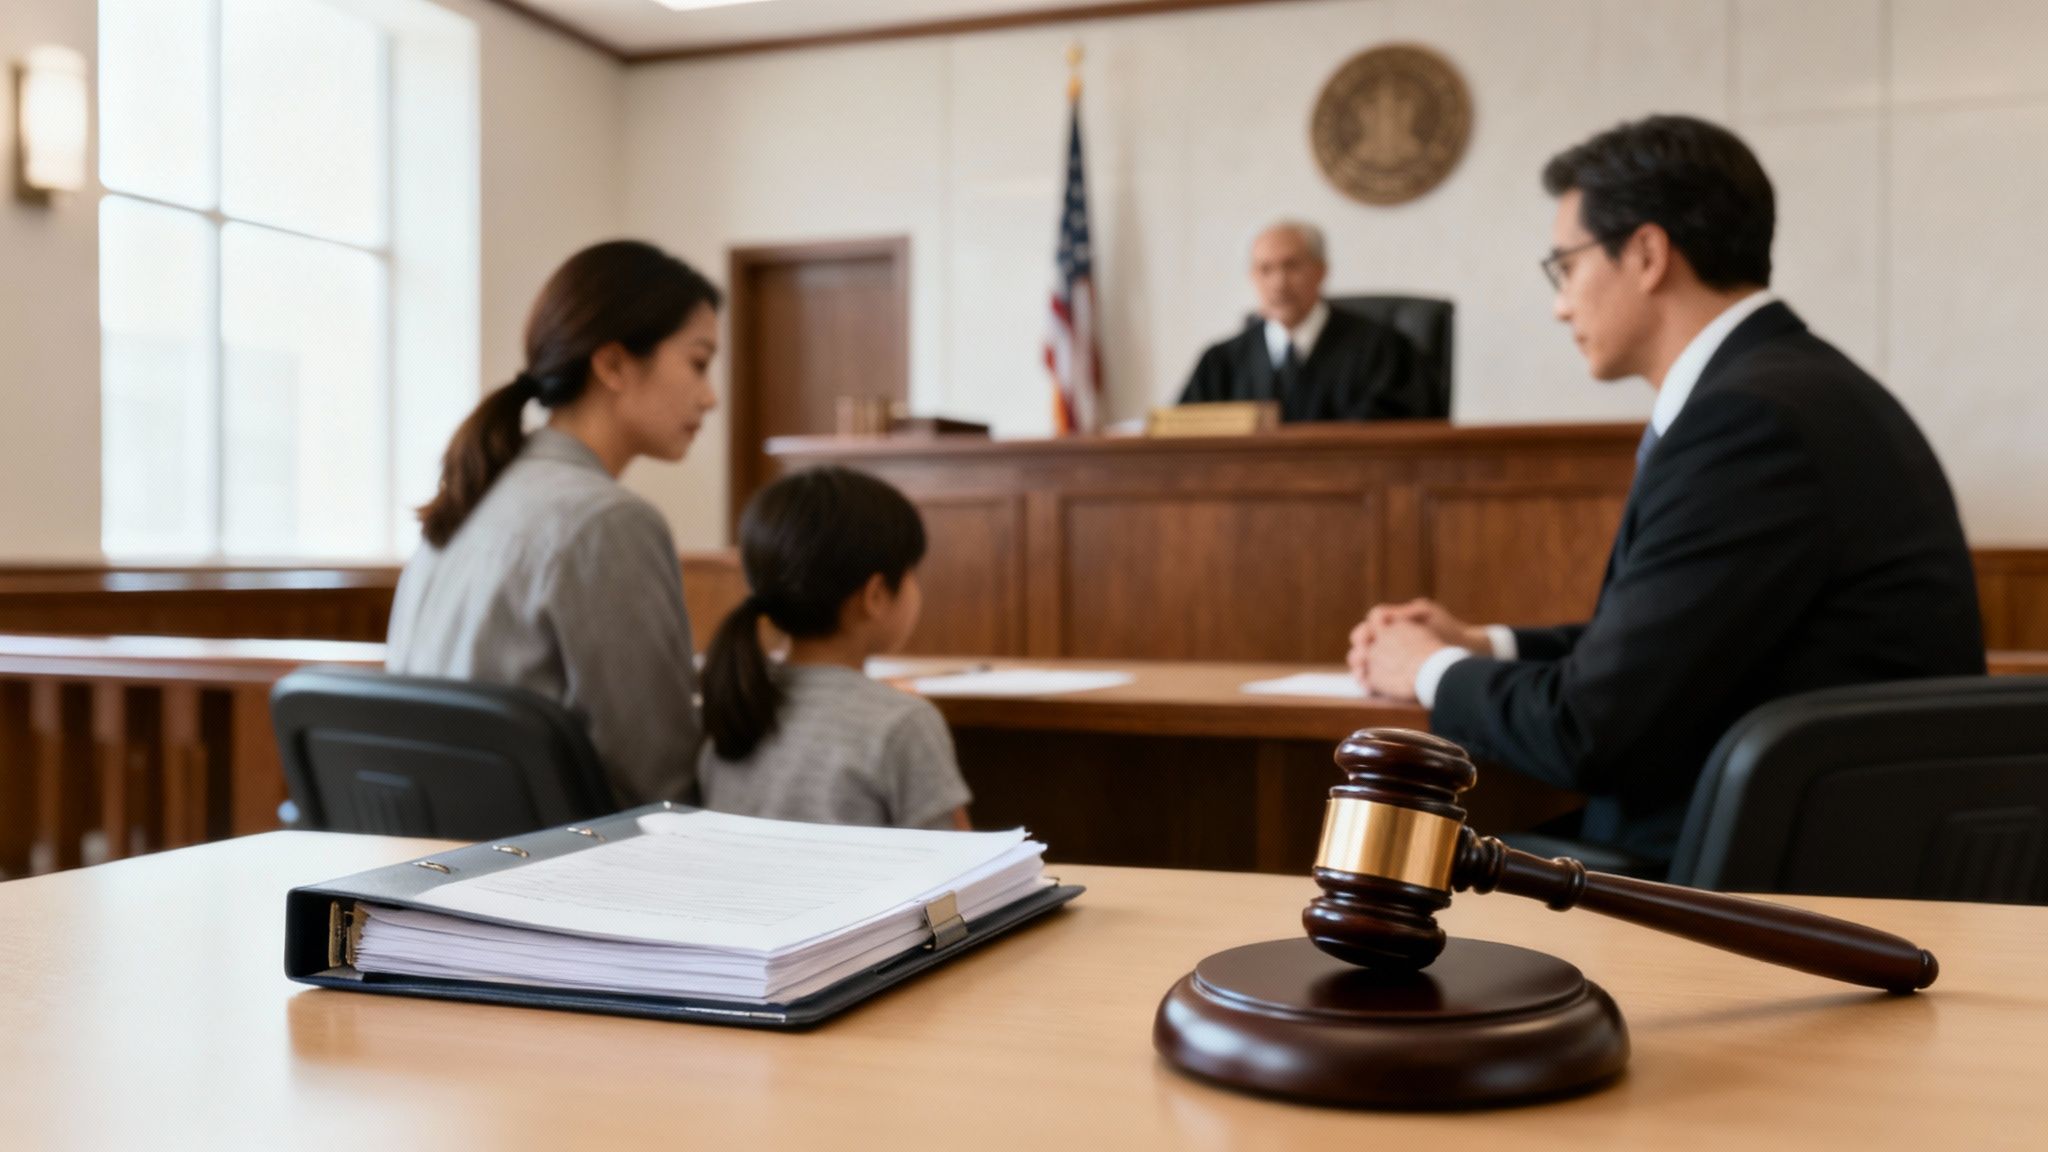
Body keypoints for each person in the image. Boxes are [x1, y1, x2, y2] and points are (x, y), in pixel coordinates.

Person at [1348, 115, 1985, 868]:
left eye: (1566, 267)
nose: (1560, 304)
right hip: (1804, 847)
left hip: (1752, 886)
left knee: (1380, 865)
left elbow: (1590, 731)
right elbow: (1673, 648)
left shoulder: (1747, 423)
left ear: (1647, 254)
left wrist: (1426, 669)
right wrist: (1486, 644)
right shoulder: (1796, 388)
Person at [387, 240, 720, 807]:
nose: (710, 397)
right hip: (545, 879)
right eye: (698, 362)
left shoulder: (473, 494)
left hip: (433, 869)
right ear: (613, 364)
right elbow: (660, 787)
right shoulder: (608, 522)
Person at [697, 467, 972, 831]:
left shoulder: (736, 700)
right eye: (911, 573)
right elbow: (959, 868)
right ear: (875, 596)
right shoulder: (904, 724)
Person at [1178, 219, 1431, 421]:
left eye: (1292, 266)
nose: (1279, 283)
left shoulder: (1382, 351)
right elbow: (1181, 441)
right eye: (1265, 269)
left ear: (1321, 271)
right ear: (1253, 277)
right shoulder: (1221, 363)